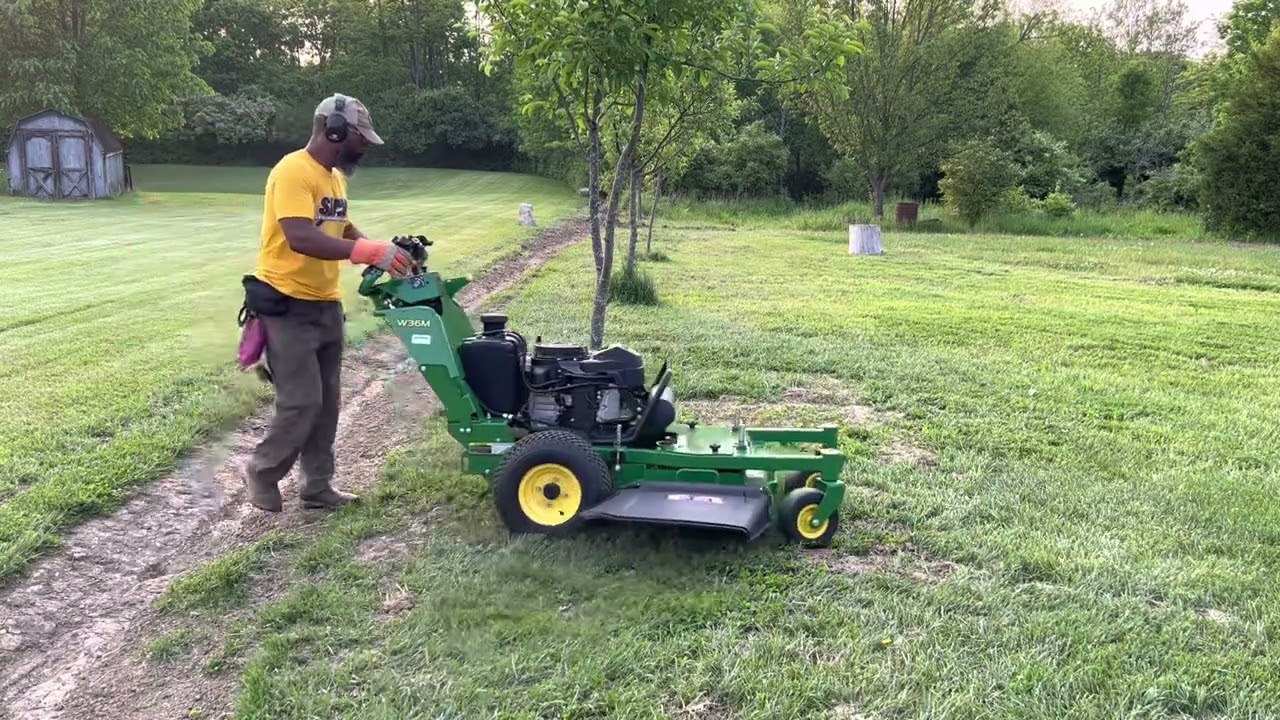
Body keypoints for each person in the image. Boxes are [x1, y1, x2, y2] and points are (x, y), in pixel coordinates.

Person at [240, 93, 413, 512]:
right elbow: (300, 235)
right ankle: (261, 472)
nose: (366, 145)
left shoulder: (335, 177)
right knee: (302, 401)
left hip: (324, 305)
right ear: (333, 129)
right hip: (286, 305)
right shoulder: (292, 172)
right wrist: (367, 254)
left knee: (328, 403)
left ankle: (317, 486)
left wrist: (378, 248)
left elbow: (339, 224)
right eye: (361, 136)